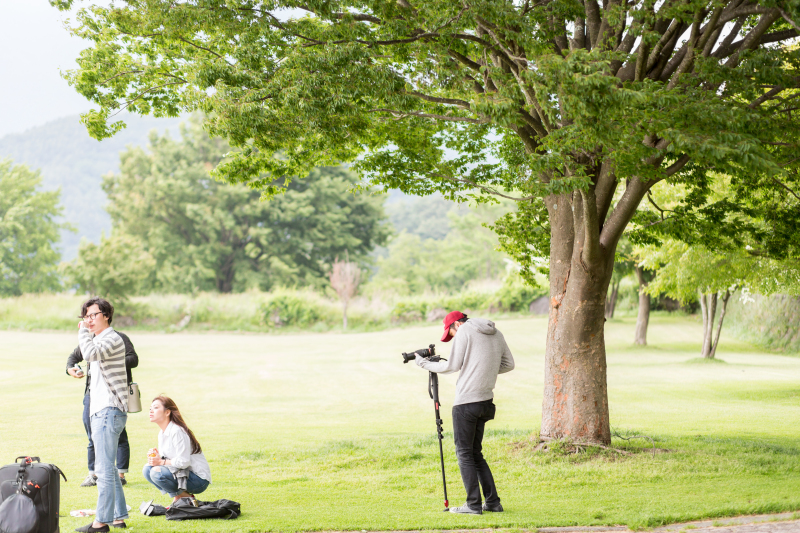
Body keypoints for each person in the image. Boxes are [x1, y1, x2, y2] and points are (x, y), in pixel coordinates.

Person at [415, 310, 515, 515]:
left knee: (464, 454)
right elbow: (508, 364)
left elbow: (452, 366)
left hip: (466, 403)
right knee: (475, 453)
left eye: (451, 333)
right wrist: (481, 368)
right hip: (485, 402)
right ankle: (493, 503)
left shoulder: (464, 331)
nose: (453, 337)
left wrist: (423, 363)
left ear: (457, 325)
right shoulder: (496, 332)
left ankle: (473, 504)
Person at [75, 297, 129, 533]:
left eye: (93, 315)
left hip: (108, 410)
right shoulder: (100, 338)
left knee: (103, 469)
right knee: (108, 467)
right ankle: (118, 517)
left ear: (106, 315)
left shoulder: (111, 338)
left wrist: (83, 332)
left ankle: (101, 522)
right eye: (86, 317)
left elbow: (89, 354)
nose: (89, 320)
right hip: (102, 410)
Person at [66, 332, 138, 487]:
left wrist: (108, 361)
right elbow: (73, 357)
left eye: (92, 319)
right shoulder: (90, 340)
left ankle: (120, 474)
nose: (89, 322)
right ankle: (93, 474)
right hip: (92, 394)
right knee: (92, 432)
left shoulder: (117, 338)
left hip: (113, 393)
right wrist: (70, 368)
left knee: (119, 435)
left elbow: (133, 359)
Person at [143, 395, 212, 502]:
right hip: (182, 473)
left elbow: (184, 462)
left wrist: (160, 462)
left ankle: (184, 498)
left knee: (156, 472)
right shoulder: (162, 433)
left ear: (167, 412)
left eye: (155, 408)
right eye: (150, 408)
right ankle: (181, 498)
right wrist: (157, 458)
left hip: (198, 479)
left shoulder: (177, 431)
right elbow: (169, 459)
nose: (151, 411)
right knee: (147, 469)